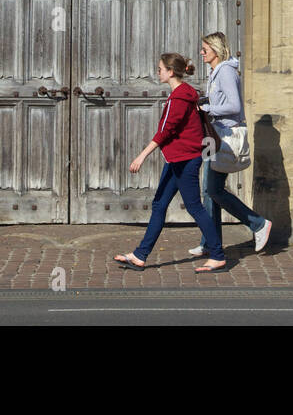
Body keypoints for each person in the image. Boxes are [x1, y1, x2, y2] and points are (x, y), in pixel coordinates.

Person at [114, 53, 227, 272]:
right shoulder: (185, 94)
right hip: (177, 158)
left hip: (185, 160)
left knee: (195, 207)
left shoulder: (178, 98)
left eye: (160, 69)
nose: (158, 72)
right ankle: (140, 255)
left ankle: (218, 255)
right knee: (159, 205)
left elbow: (165, 131)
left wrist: (142, 155)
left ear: (170, 71)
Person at [188, 32, 271, 258]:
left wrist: (208, 109)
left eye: (205, 49)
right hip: (212, 134)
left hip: (224, 135)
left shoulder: (225, 71)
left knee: (213, 189)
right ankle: (209, 242)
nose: (202, 53)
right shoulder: (215, 72)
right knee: (208, 191)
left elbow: (234, 105)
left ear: (215, 49)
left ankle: (258, 224)